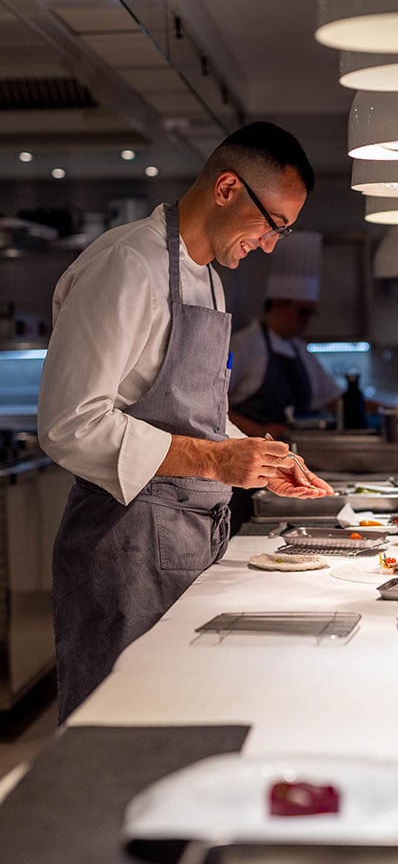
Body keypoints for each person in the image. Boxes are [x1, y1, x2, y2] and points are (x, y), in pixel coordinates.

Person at [37, 121, 334, 722]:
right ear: (227, 187)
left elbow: (197, 412)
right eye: (272, 224)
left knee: (184, 718)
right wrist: (215, 460)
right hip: (123, 547)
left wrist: (253, 453)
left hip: (191, 538)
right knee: (118, 732)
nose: (272, 245)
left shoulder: (211, 283)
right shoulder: (127, 265)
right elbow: (70, 423)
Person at [228, 231, 341, 438]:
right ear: (279, 304)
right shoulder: (243, 345)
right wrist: (260, 432)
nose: (307, 321)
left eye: (310, 313)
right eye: (302, 312)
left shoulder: (299, 349)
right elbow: (213, 406)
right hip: (251, 450)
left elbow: (332, 399)